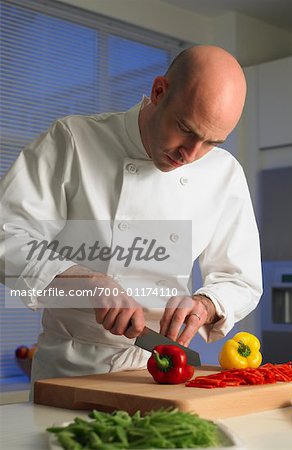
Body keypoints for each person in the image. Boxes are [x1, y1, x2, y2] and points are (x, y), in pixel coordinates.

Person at [0, 45, 262, 386]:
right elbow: (8, 235)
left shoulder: (224, 173)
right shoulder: (74, 140)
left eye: (211, 142)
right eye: (185, 128)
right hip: (71, 369)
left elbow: (241, 279)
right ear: (158, 92)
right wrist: (87, 283)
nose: (191, 154)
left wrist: (206, 303)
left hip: (163, 369)